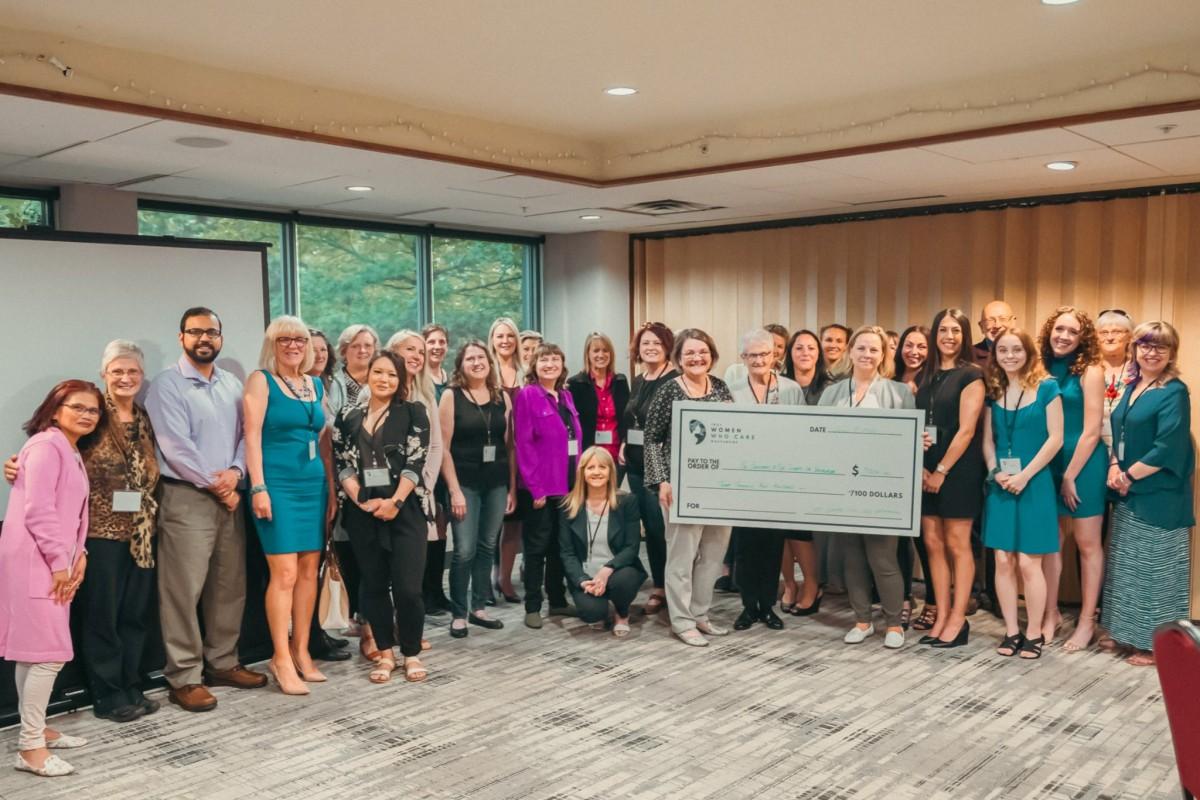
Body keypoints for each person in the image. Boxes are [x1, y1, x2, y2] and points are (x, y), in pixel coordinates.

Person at [145, 307, 266, 713]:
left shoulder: (232, 383)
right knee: (183, 590)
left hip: (230, 493)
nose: (204, 339)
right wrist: (219, 485)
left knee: (228, 585)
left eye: (211, 332)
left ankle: (223, 662)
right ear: (182, 337)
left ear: (221, 337)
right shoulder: (166, 385)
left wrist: (235, 473)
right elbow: (175, 447)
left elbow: (246, 435)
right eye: (195, 332)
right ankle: (184, 677)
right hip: (187, 498)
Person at [0, 380, 100, 777]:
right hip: (37, 561)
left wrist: (81, 555)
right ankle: (29, 749)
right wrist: (61, 563)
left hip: (50, 558)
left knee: (34, 652)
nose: (87, 414)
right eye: (77, 407)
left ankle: (35, 729)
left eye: (93, 410)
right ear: (55, 409)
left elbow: (70, 512)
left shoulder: (67, 448)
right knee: (50, 654)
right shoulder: (46, 446)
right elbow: (39, 512)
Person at [64, 343, 162, 720]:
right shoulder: (91, 413)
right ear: (104, 373)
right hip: (100, 532)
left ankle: (130, 682)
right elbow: (56, 446)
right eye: (117, 371)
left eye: (133, 372)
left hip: (142, 532)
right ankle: (107, 694)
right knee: (102, 615)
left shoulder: (143, 416)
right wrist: (17, 464)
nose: (125, 378)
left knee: (135, 614)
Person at [333, 351, 431, 683]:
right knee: (373, 585)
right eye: (378, 372)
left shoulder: (413, 412)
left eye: (391, 374)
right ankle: (386, 654)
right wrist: (360, 500)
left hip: (405, 510)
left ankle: (411, 653)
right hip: (363, 512)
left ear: (401, 380)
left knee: (408, 589)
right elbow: (341, 461)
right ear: (368, 375)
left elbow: (415, 462)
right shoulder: (348, 415)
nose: (384, 379)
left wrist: (395, 501)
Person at [243, 317, 328, 695]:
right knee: (286, 575)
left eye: (299, 339)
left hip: (314, 484)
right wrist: (258, 487)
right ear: (272, 344)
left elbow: (322, 440)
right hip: (276, 485)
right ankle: (280, 656)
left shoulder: (316, 383)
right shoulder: (261, 380)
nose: (293, 345)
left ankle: (302, 650)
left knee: (311, 570)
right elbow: (252, 437)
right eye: (284, 339)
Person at [819, 326, 916, 649]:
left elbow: (907, 443)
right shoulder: (832, 393)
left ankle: (893, 624)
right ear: (850, 351)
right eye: (861, 348)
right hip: (842, 487)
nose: (866, 354)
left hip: (881, 488)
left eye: (874, 350)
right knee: (852, 557)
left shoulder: (899, 393)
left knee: (883, 558)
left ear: (882, 355)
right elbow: (816, 436)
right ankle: (862, 620)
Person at [1104, 321, 1194, 667]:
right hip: (1130, 488)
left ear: (1171, 353)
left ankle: (1157, 644)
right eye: (1145, 345)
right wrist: (1114, 466)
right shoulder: (1134, 384)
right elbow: (1120, 432)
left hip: (1160, 493)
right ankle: (1129, 634)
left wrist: (1127, 475)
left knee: (1157, 570)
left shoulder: (1174, 391)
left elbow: (1167, 446)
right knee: (1130, 567)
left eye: (1160, 347)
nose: (1151, 352)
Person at [644, 328, 735, 647]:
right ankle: (681, 620)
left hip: (718, 486)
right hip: (680, 488)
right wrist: (662, 481)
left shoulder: (721, 386)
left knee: (713, 554)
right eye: (690, 354)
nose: (697, 358)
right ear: (678, 359)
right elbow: (651, 439)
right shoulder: (669, 390)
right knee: (682, 555)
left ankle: (700, 614)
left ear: (712, 355)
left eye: (703, 352)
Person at [981, 328, 1064, 661]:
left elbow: (1056, 438)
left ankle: (1033, 632)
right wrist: (995, 471)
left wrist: (1025, 475)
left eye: (1017, 349)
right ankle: (1012, 630)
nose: (1010, 355)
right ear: (995, 354)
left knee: (1031, 563)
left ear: (1029, 352)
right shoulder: (995, 390)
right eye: (1003, 350)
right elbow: (987, 441)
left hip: (1034, 484)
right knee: (1003, 560)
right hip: (1001, 484)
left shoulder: (1047, 388)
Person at [916, 308, 986, 650]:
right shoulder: (927, 375)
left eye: (956, 331)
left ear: (965, 336)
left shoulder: (971, 374)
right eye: (943, 329)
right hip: (926, 468)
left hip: (957, 470)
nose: (948, 336)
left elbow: (967, 430)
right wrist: (923, 465)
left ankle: (959, 619)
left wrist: (941, 470)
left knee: (958, 544)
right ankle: (941, 614)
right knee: (932, 543)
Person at [1039, 307, 1108, 652]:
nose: (1064, 336)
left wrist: (1069, 475)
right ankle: (1050, 613)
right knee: (1051, 542)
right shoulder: (1042, 367)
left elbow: (1092, 431)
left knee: (1087, 542)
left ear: (1083, 339)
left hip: (1084, 465)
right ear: (1050, 331)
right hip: (1048, 462)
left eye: (1072, 331)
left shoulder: (1091, 370)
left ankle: (1086, 621)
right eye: (1059, 329)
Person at [440, 341, 516, 638]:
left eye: (481, 357)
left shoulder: (502, 398)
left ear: (489, 362)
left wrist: (511, 487)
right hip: (464, 484)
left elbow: (509, 447)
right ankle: (459, 613)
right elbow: (443, 449)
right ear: (461, 365)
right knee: (464, 549)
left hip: (496, 483)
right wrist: (454, 490)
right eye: (469, 358)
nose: (476, 362)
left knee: (487, 545)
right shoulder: (451, 396)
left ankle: (478, 607)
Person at [730, 329, 803, 631]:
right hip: (743, 480)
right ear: (743, 358)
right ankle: (748, 606)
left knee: (774, 546)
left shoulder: (791, 389)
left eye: (765, 354)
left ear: (775, 355)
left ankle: (768, 606)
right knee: (746, 546)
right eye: (752, 355)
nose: (759, 360)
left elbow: (802, 432)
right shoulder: (730, 389)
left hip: (778, 481)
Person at [514, 343, 582, 628]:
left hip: (568, 485)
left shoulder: (565, 395)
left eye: (555, 359)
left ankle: (557, 600)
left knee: (560, 545)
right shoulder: (528, 395)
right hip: (541, 488)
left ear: (562, 364)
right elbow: (524, 443)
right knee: (537, 547)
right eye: (544, 360)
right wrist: (535, 487)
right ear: (534, 365)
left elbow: (575, 440)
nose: (549, 364)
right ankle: (532, 606)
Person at [389, 330, 449, 619]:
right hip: (386, 493)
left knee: (411, 571)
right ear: (393, 352)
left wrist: (424, 482)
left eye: (420, 352)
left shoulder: (425, 393)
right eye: (409, 349)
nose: (416, 356)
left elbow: (436, 445)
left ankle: (408, 628)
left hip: (419, 492)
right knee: (385, 568)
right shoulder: (378, 387)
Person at [620, 322, 677, 617]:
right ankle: (659, 584)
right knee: (648, 528)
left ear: (667, 346)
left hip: (660, 467)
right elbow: (634, 418)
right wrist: (622, 442)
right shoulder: (639, 379)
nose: (650, 348)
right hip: (634, 463)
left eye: (656, 343)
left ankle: (668, 587)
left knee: (659, 528)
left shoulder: (675, 380)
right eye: (645, 343)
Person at [558, 447, 646, 636]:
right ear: (582, 472)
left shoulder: (627, 502)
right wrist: (582, 581)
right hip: (585, 574)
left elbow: (631, 547)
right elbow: (567, 553)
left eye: (602, 467)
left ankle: (622, 614)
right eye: (590, 468)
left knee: (624, 582)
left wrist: (606, 571)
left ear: (610, 471)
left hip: (618, 570)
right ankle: (600, 604)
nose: (596, 472)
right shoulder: (568, 505)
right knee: (592, 614)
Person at [304, 329, 351, 663]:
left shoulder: (326, 386)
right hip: (306, 480)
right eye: (313, 349)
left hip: (328, 476)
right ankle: (308, 637)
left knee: (322, 559)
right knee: (307, 564)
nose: (319, 354)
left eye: (323, 350)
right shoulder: (298, 390)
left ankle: (319, 631)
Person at [779, 329, 832, 614]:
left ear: (819, 353)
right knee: (781, 531)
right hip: (780, 466)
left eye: (811, 348)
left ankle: (812, 584)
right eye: (799, 348)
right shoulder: (779, 384)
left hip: (814, 468)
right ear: (790, 353)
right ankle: (790, 584)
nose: (805, 353)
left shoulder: (830, 387)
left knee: (801, 531)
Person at [893, 325, 933, 629]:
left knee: (927, 542)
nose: (914, 352)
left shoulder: (934, 382)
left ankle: (933, 601)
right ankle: (903, 599)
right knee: (899, 541)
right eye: (909, 345)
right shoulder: (890, 383)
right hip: (896, 470)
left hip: (928, 470)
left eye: (921, 346)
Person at [490, 317, 524, 603]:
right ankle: (489, 577)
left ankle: (505, 578)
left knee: (514, 520)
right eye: (500, 336)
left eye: (510, 336)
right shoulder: (486, 371)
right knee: (492, 520)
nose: (505, 341)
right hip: (494, 454)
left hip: (522, 453)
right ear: (492, 340)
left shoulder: (525, 373)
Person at [567, 332, 629, 477]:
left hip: (615, 454)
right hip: (588, 456)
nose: (601, 355)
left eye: (605, 350)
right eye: (596, 350)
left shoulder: (620, 381)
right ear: (587, 354)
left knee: (613, 498)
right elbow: (571, 425)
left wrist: (625, 445)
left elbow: (627, 418)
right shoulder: (575, 384)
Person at [1096, 309, 1135, 454]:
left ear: (1129, 337)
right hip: (1094, 445)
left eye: (1117, 332)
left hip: (1130, 443)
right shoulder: (1087, 368)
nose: (1110, 337)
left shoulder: (1141, 369)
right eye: (1104, 332)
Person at [328, 324, 380, 417]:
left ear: (374, 349)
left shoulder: (382, 380)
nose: (362, 350)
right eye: (355, 346)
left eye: (368, 345)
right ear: (344, 350)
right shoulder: (331, 383)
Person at [972, 300, 1016, 367]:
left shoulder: (1026, 354)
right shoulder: (969, 357)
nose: (997, 325)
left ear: (1013, 322)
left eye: (1002, 319)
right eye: (990, 320)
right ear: (981, 326)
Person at [422, 324, 451, 400]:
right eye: (431, 342)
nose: (437, 347)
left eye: (442, 342)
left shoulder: (451, 380)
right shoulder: (417, 379)